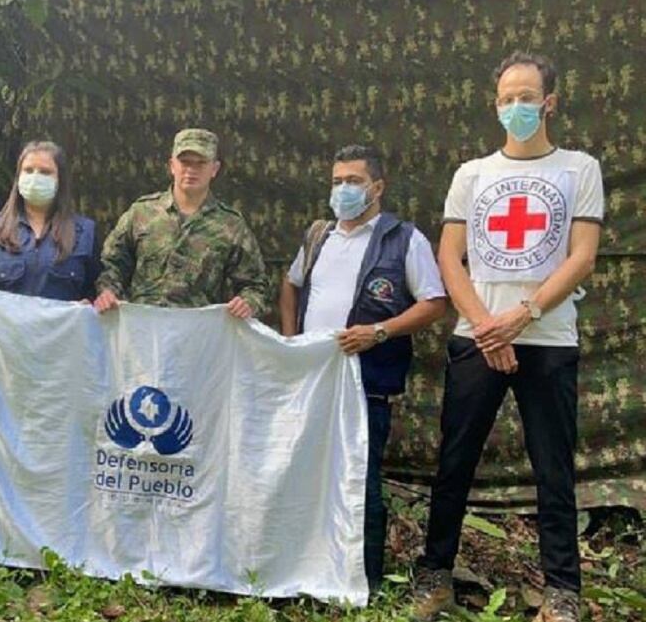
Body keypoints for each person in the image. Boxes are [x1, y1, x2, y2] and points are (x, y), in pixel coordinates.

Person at [410, 52, 604, 622]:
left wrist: (522, 316)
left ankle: (563, 591)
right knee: (455, 460)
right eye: (505, 98)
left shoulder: (578, 169)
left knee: (553, 467)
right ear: (494, 105)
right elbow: (450, 256)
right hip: (478, 337)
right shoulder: (472, 174)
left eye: (526, 96)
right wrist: (488, 329)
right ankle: (435, 575)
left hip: (548, 339)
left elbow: (583, 256)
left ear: (550, 101)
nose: (515, 107)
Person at [278, 144, 447, 591]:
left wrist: (380, 331)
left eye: (353, 181)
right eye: (337, 182)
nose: (343, 190)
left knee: (360, 481)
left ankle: (362, 579)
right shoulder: (319, 235)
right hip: (312, 380)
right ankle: (301, 569)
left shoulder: (403, 239)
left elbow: (434, 303)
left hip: (366, 385)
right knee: (304, 474)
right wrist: (293, 339)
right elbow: (291, 284)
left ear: (378, 187)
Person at [93, 128, 270, 317]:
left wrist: (247, 303)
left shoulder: (230, 225)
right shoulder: (142, 213)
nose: (191, 170)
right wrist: (108, 292)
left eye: (201, 163)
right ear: (172, 165)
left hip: (197, 333)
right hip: (144, 330)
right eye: (184, 162)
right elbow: (112, 264)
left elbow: (255, 285)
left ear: (214, 169)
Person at [0, 141, 99, 301]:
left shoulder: (85, 232)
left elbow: (96, 293)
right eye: (28, 170)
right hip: (6, 326)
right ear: (18, 177)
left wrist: (94, 302)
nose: (35, 177)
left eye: (45, 172)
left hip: (64, 326)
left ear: (60, 180)